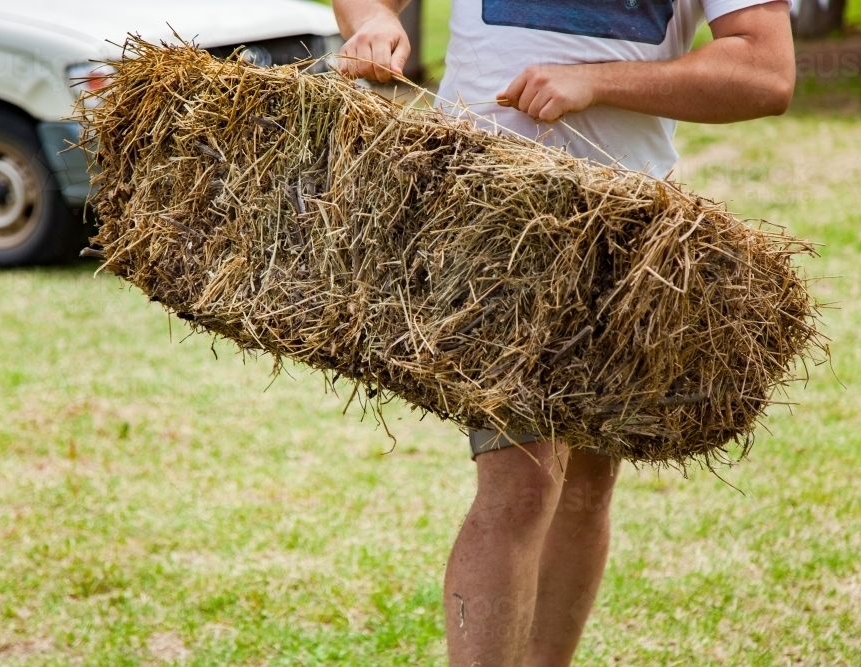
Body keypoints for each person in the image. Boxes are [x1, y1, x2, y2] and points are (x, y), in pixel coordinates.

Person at [330, 0, 795, 664]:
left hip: (630, 233)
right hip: (483, 211)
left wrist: (595, 81)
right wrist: (371, 22)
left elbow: (766, 69)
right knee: (521, 481)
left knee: (586, 484)